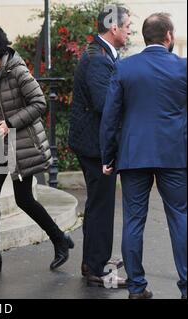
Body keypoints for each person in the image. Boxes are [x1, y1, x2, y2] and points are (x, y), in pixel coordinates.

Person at [0, 25, 74, 275]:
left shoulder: (16, 70)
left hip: (17, 145)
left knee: (24, 199)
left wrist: (12, 122)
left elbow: (39, 103)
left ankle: (59, 239)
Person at [100, 13, 187, 299]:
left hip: (133, 154)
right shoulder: (183, 68)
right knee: (180, 218)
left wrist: (108, 157)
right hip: (174, 155)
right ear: (169, 36)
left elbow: (110, 117)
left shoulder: (124, 68)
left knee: (134, 221)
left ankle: (136, 287)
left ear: (145, 37)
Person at [68, 6, 131, 288]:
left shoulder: (103, 55)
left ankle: (94, 259)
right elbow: (106, 105)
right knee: (101, 206)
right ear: (114, 28)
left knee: (99, 203)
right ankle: (95, 266)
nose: (129, 30)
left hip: (95, 143)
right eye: (127, 25)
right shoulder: (97, 59)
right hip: (95, 146)